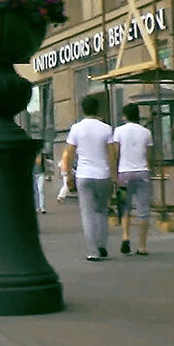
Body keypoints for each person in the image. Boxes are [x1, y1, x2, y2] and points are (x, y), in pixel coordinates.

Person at [61, 95, 116, 262]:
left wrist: (68, 175)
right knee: (102, 211)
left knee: (87, 213)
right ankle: (102, 245)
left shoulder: (76, 128)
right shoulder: (106, 128)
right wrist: (114, 175)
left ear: (82, 109)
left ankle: (93, 251)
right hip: (103, 174)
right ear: (97, 109)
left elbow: (69, 154)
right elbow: (112, 154)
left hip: (84, 175)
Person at [112, 103, 154, 256]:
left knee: (125, 206)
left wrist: (114, 172)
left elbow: (116, 153)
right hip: (142, 173)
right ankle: (142, 246)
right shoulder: (146, 132)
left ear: (124, 116)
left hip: (124, 174)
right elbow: (149, 155)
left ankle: (125, 237)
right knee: (143, 210)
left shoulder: (118, 131)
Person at [33, 150, 48, 214]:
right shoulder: (29, 153)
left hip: (41, 173)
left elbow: (44, 163)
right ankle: (37, 207)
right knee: (35, 191)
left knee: (40, 190)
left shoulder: (41, 154)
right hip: (33, 173)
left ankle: (42, 207)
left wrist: (47, 173)